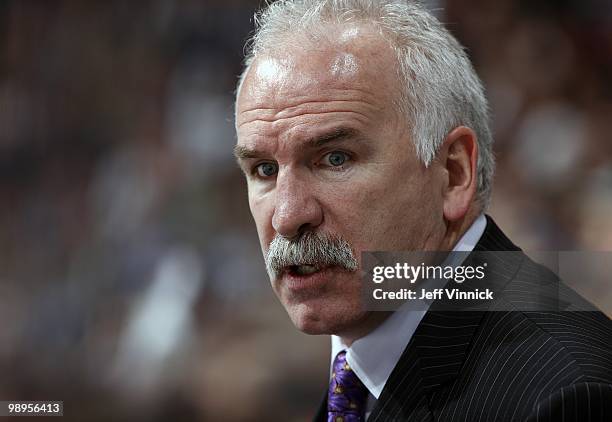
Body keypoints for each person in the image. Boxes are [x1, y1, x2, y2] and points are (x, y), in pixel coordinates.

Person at [233, 1, 612, 420]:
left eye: (335, 159)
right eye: (264, 169)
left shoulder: (568, 397)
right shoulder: (359, 368)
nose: (287, 216)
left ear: (453, 174)